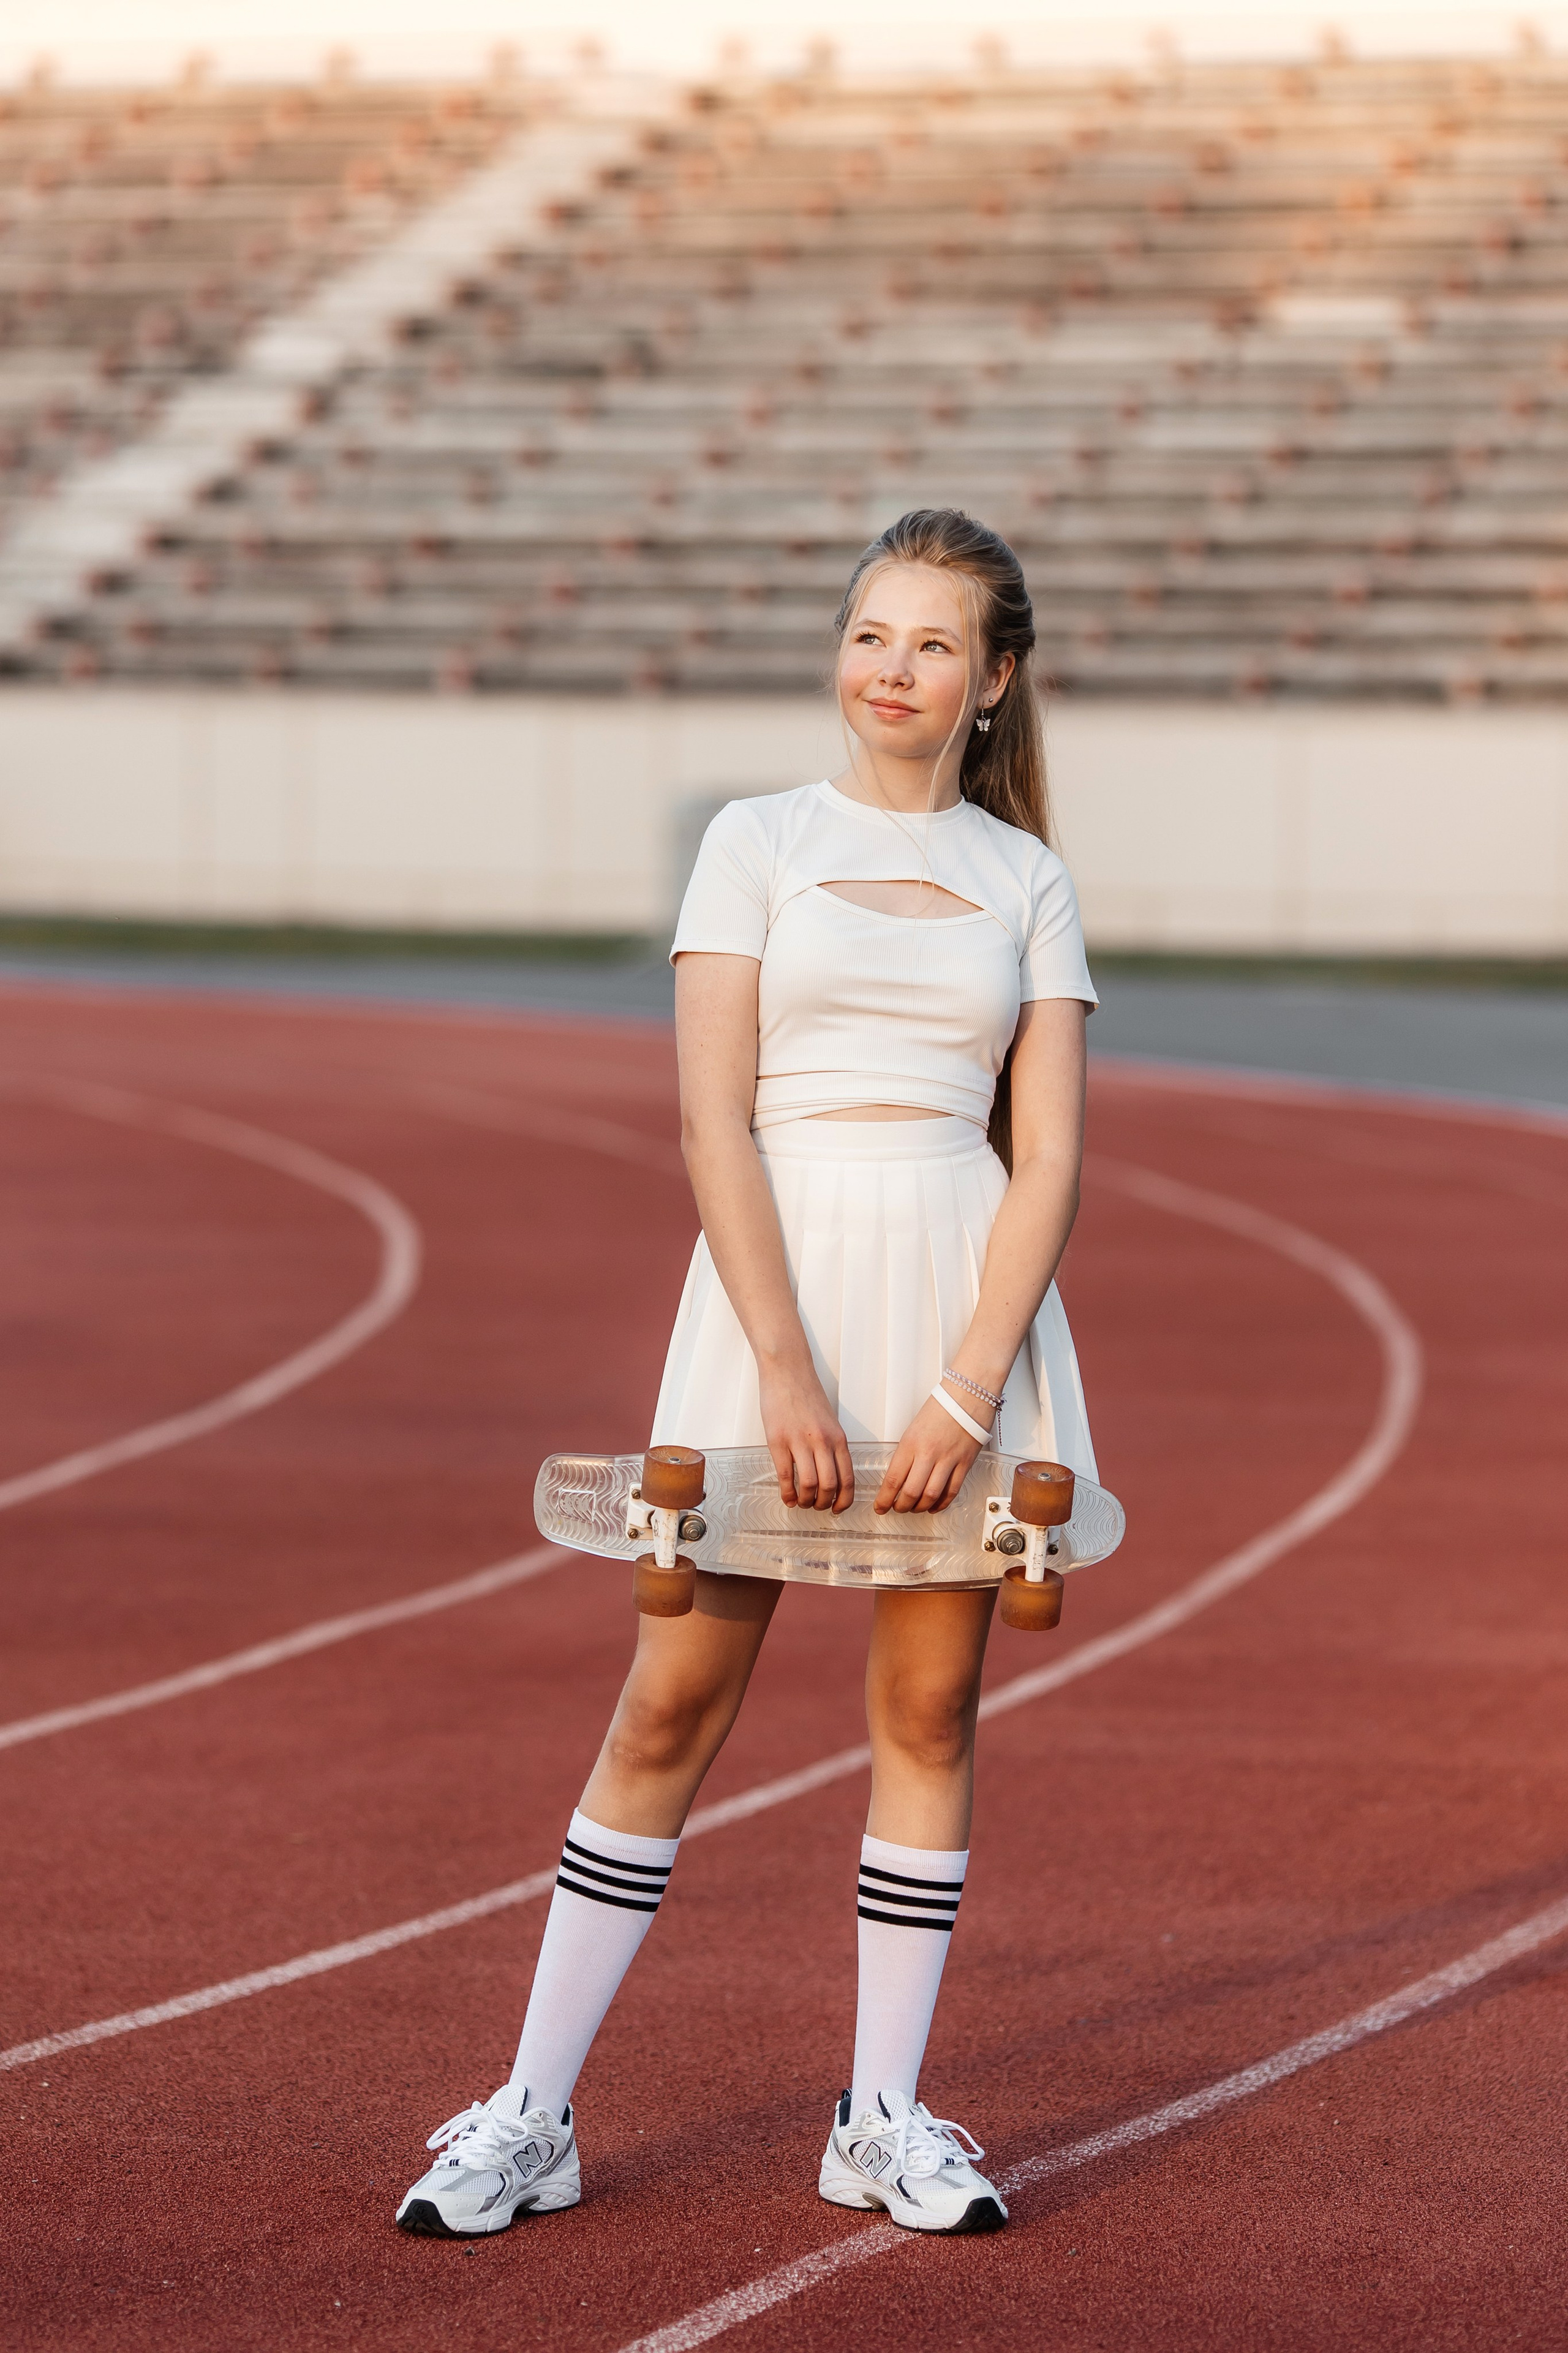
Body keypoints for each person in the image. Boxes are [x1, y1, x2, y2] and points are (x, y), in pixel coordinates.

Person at [396, 507, 1099, 2241]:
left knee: (927, 1711)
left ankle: (880, 2115)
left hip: (961, 1319)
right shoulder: (755, 841)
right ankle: (534, 2111)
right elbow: (713, 1111)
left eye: (934, 644)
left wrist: (964, 1389)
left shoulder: (1032, 880)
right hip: (764, 1311)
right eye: (872, 631)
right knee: (668, 1706)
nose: (893, 667)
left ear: (993, 681)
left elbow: (1055, 1156)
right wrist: (779, 1362)